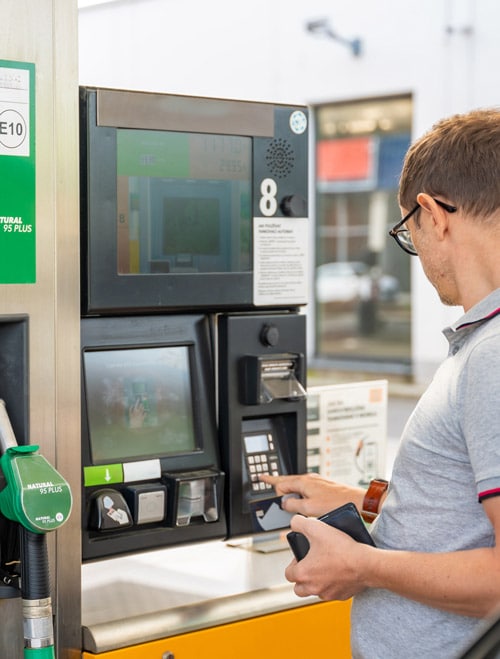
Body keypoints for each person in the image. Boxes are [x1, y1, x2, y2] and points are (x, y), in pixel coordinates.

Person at [261, 108, 500, 658]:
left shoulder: (490, 358)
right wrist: (361, 500)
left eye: (408, 235)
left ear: (433, 215)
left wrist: (361, 565)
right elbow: (459, 513)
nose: (416, 255)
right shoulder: (480, 344)